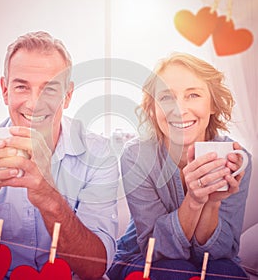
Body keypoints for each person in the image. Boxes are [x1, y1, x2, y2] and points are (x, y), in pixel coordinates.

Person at [0, 31, 119, 280]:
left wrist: (48, 197)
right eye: (22, 87)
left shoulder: (99, 155)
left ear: (67, 96)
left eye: (50, 89)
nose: (34, 104)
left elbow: (95, 268)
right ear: (5, 90)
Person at [107, 53, 252, 280]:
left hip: (214, 262)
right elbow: (154, 249)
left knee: (227, 273)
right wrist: (194, 201)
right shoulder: (136, 156)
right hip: (140, 257)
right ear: (152, 108)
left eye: (193, 94)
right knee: (177, 272)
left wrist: (212, 204)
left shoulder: (236, 160)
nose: (179, 109)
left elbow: (220, 251)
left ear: (212, 103)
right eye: (166, 97)